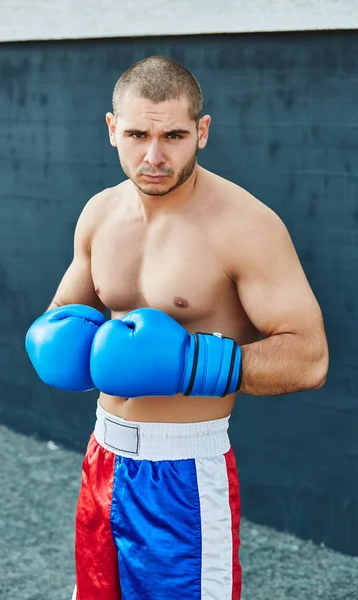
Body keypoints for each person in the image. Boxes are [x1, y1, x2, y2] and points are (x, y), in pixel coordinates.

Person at [25, 56, 329, 600]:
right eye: (138, 133)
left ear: (202, 132)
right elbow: (62, 314)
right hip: (102, 458)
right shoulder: (98, 214)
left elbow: (309, 359)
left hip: (185, 472)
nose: (155, 155)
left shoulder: (245, 225)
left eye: (174, 135)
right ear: (113, 128)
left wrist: (191, 364)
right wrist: (56, 339)